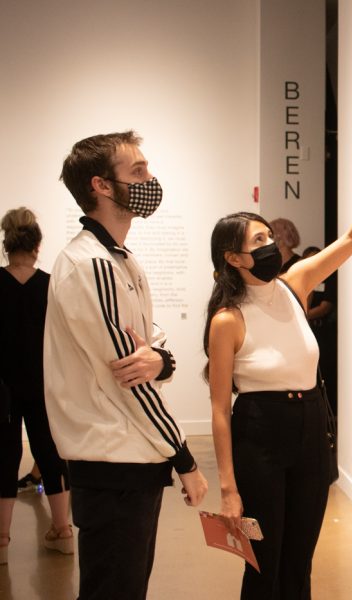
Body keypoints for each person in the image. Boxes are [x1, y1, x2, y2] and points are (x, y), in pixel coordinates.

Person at [204, 145, 352, 599]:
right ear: (233, 258)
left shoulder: (295, 285)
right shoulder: (228, 319)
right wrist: (228, 488)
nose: (269, 245)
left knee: (299, 562)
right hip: (260, 437)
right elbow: (218, 408)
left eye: (268, 235)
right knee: (263, 564)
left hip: (311, 429)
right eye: (257, 241)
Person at [45, 131, 208, 600]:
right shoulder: (91, 264)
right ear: (100, 185)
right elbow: (129, 377)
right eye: (137, 171)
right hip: (113, 461)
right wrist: (185, 459)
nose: (149, 179)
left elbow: (152, 346)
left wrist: (161, 358)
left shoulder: (123, 261)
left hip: (128, 459)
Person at [0, 207, 73, 565]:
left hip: (2, 389)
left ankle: (1, 541)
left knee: (3, 457)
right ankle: (63, 532)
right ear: (38, 244)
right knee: (51, 454)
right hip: (44, 386)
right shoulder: (50, 286)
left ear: (5, 242)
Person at [299, 246, 338, 416]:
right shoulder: (301, 279)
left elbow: (325, 307)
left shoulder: (330, 278)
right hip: (305, 333)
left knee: (325, 371)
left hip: (323, 333)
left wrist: (303, 316)